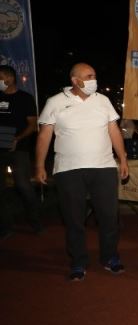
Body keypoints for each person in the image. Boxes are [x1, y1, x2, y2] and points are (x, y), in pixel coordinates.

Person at [34, 63, 129, 280]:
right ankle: (78, 261)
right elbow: (44, 135)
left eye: (94, 75)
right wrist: (39, 165)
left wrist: (123, 158)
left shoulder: (102, 101)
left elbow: (113, 130)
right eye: (89, 76)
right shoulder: (55, 102)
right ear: (75, 81)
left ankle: (110, 257)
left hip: (103, 167)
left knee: (109, 217)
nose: (94, 79)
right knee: (74, 219)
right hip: (68, 169)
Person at [0, 65, 43, 239]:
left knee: (23, 186)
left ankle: (36, 222)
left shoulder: (25, 98)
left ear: (10, 78)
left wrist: (17, 139)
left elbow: (32, 125)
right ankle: (5, 226)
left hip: (19, 149)